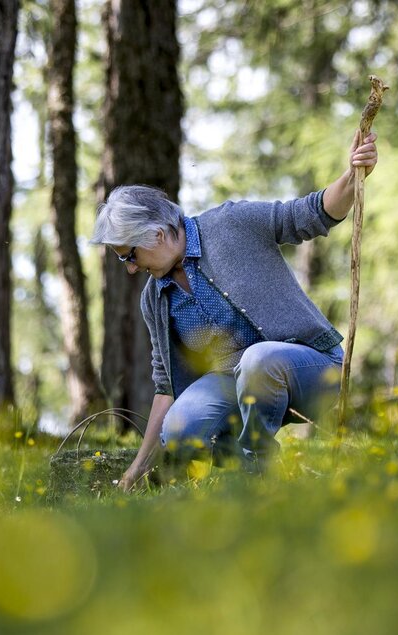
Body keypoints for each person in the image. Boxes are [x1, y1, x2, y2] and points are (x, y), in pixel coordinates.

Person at [91, 131, 379, 491]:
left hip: (311, 370)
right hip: (236, 384)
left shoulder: (231, 224)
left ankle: (255, 475)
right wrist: (136, 469)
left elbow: (310, 214)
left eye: (130, 255)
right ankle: (262, 472)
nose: (131, 268)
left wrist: (353, 176)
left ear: (157, 235)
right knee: (181, 426)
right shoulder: (155, 298)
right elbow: (166, 387)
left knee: (259, 360)